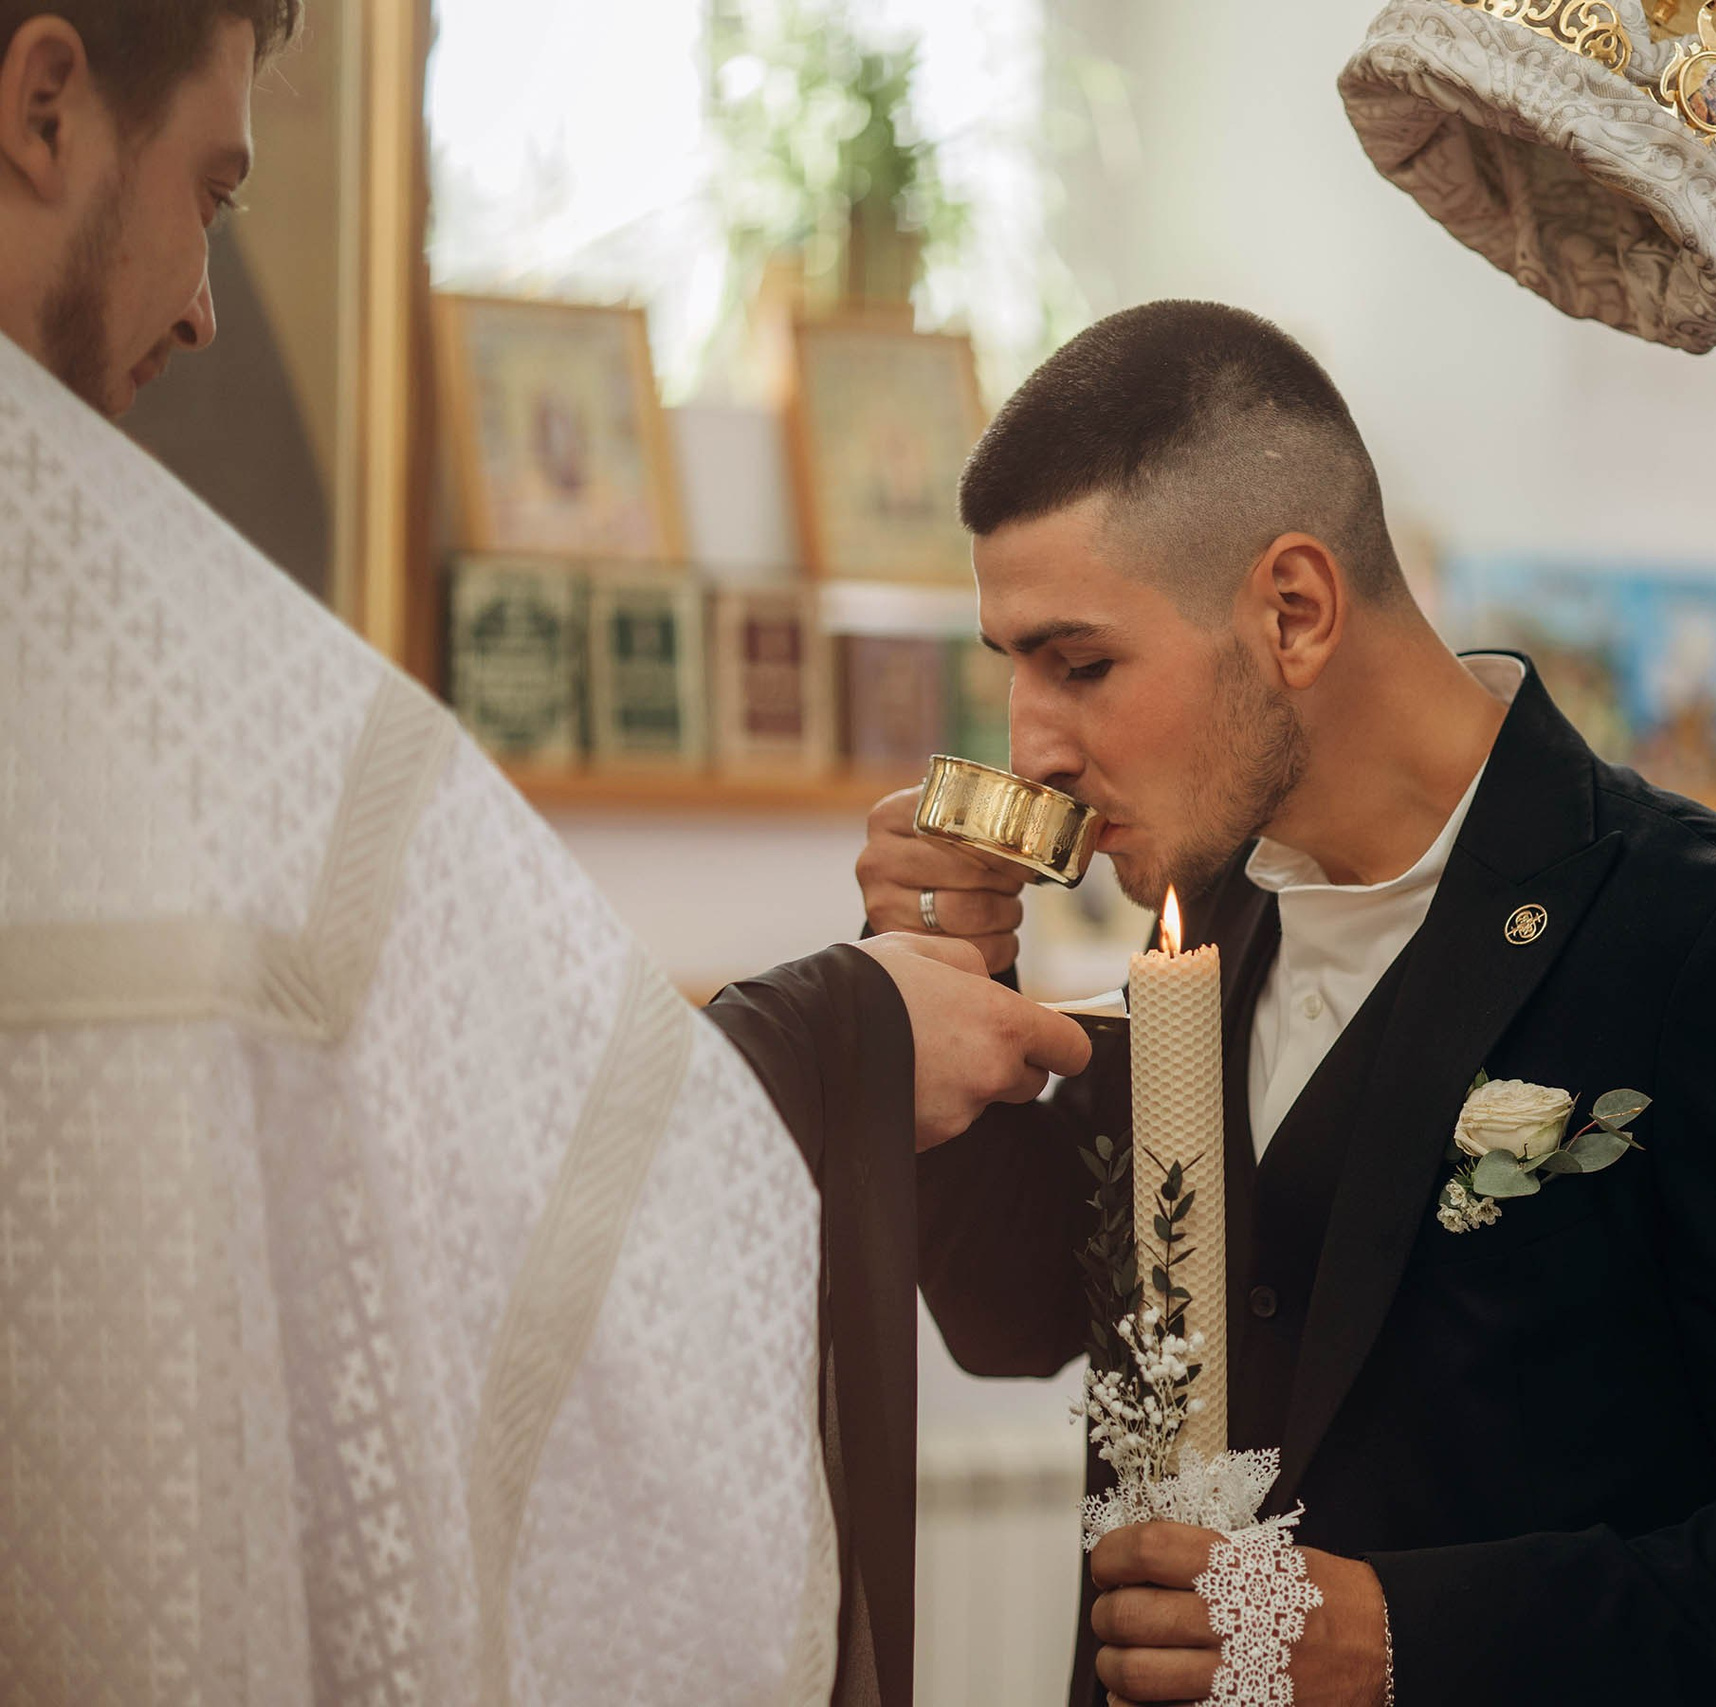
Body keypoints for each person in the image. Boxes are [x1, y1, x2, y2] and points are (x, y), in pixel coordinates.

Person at [0, 8, 1087, 1704]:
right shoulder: (183, 680)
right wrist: (856, 1033)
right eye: (211, 188)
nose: (206, 304)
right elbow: (491, 1175)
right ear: (44, 105)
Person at [857, 298, 1716, 1707]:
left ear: (1294, 609)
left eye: (1080, 664)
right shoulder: (1203, 912)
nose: (1030, 745)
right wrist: (944, 977)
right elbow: (1013, 1317)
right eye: (1013, 667)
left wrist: (1400, 1635)